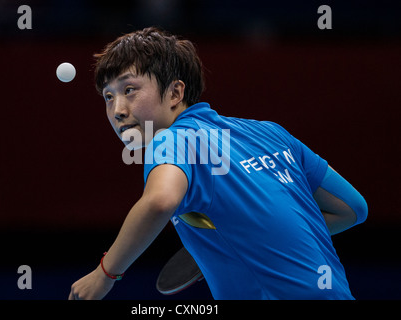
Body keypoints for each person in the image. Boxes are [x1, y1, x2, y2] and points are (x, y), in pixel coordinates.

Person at [68, 27, 368, 300]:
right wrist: (247, 242)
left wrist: (104, 275)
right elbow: (351, 209)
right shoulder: (271, 133)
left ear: (175, 92)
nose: (117, 110)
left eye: (129, 89)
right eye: (108, 96)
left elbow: (160, 202)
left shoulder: (172, 140)